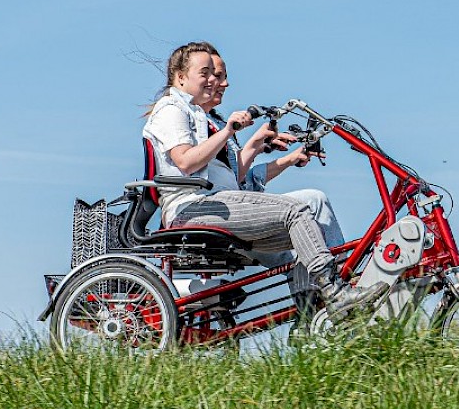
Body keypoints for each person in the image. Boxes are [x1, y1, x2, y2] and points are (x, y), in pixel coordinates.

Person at [141, 41, 382, 319]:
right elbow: (185, 161)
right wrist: (230, 131)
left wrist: (257, 145)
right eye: (206, 73)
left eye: (215, 74)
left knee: (308, 224)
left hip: (215, 203)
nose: (216, 81)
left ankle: (313, 318)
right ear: (180, 77)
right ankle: (335, 293)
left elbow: (232, 176)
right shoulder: (172, 109)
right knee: (297, 211)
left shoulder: (196, 113)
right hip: (195, 208)